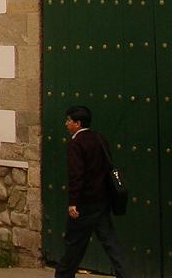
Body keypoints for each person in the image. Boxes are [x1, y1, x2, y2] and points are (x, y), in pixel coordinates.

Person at [54, 106, 130, 278]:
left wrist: (73, 202)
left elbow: (76, 175)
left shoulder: (76, 143)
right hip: (102, 202)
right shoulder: (99, 138)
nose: (66, 124)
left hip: (84, 204)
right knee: (111, 244)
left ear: (77, 123)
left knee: (73, 245)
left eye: (69, 120)